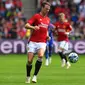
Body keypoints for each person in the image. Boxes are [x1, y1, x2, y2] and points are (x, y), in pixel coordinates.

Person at [25, 2, 51, 83]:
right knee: (29, 61)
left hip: (42, 42)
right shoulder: (36, 16)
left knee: (40, 56)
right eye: (46, 8)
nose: (47, 10)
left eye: (49, 9)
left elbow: (46, 30)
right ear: (42, 8)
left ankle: (35, 76)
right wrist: (33, 27)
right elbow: (26, 25)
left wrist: (47, 36)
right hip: (33, 41)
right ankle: (28, 76)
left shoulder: (48, 19)